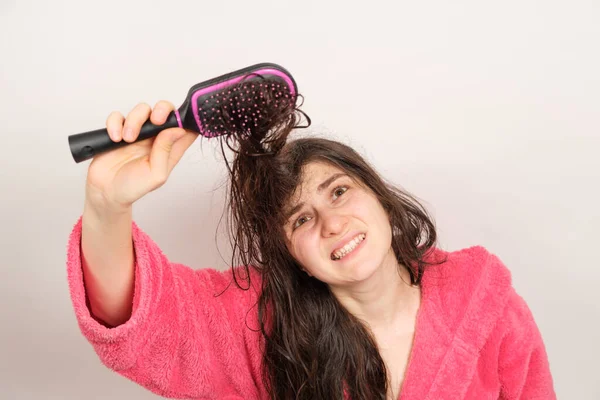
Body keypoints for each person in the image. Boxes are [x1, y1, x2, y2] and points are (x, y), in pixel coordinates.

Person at [66, 92, 556, 399]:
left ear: (380, 198)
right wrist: (107, 205)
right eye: (301, 219)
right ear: (290, 255)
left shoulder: (486, 303)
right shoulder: (262, 325)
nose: (331, 223)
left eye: (339, 191)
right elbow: (144, 321)